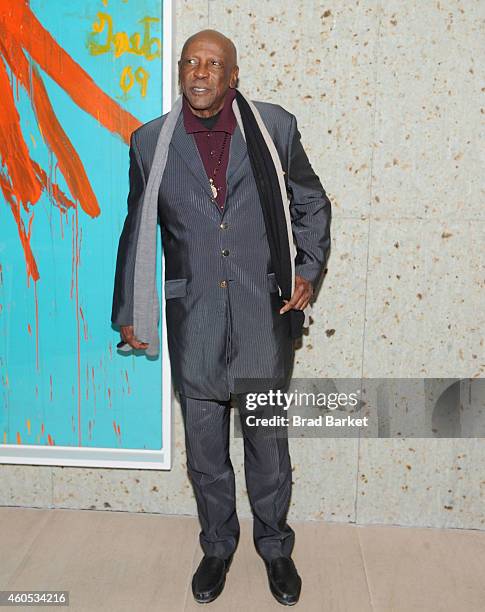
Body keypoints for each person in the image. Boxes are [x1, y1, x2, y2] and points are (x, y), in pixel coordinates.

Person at [111, 29, 331, 606]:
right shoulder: (150, 141)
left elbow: (310, 199)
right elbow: (137, 228)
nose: (200, 71)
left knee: (267, 444)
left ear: (233, 76)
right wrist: (132, 310)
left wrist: (307, 268)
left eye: (213, 63)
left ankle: (276, 548)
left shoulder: (274, 127)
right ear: (181, 72)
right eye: (191, 62)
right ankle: (217, 546)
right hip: (196, 320)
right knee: (206, 452)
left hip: (263, 314)